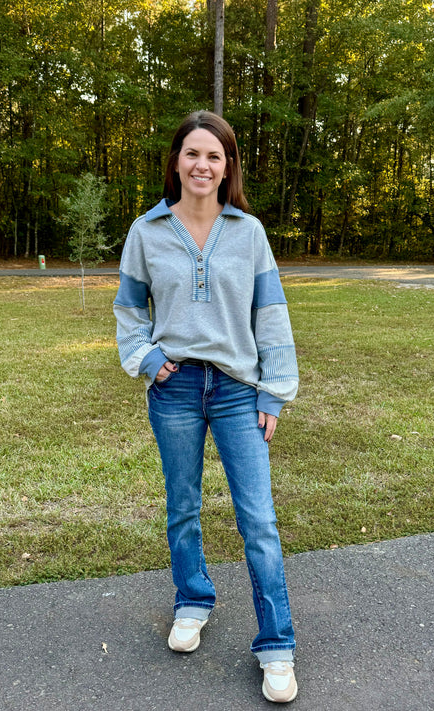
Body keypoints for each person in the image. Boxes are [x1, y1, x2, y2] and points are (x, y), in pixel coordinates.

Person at [113, 110, 299, 703]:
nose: (202, 164)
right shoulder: (146, 232)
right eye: (193, 153)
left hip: (238, 389)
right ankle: (192, 601)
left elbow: (270, 316)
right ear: (176, 162)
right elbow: (129, 311)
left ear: (228, 167)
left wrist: (275, 388)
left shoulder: (249, 232)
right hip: (175, 390)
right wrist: (145, 359)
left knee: (259, 520)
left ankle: (276, 645)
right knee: (183, 506)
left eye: (214, 156)